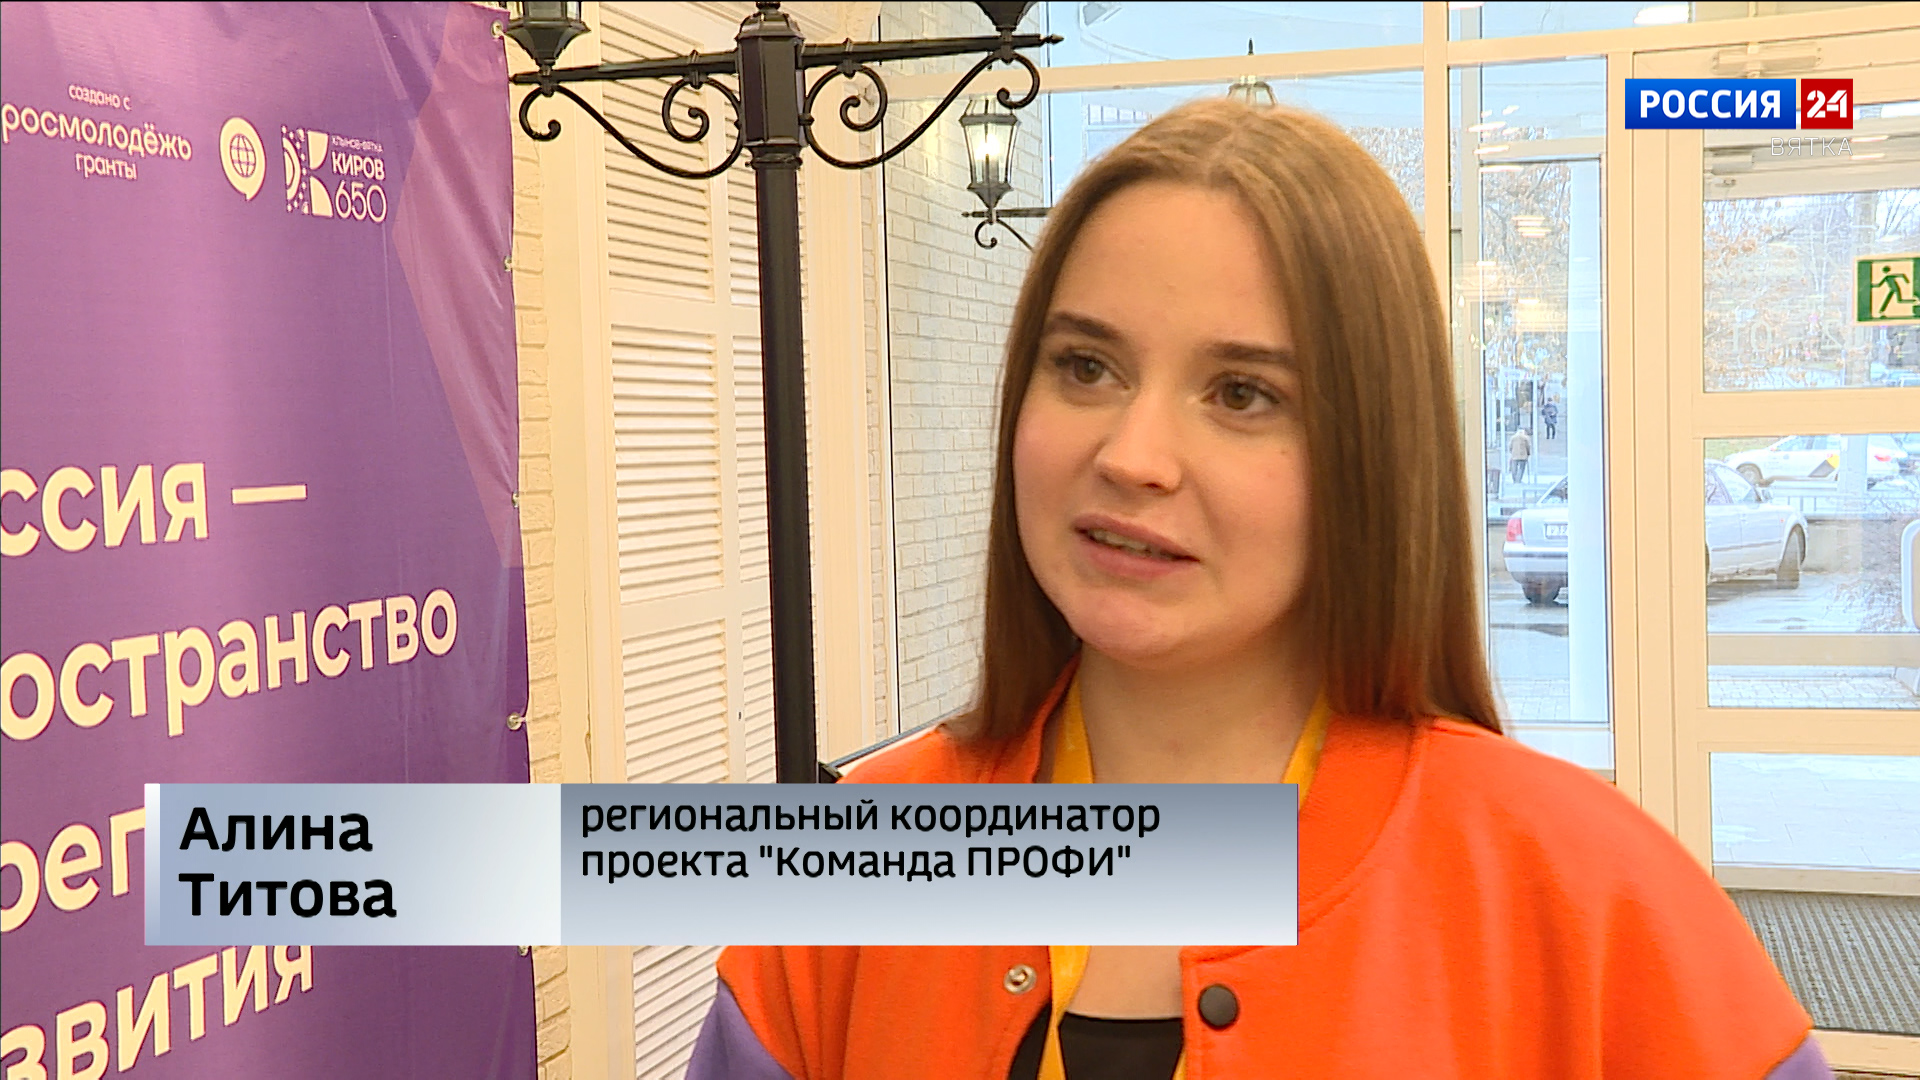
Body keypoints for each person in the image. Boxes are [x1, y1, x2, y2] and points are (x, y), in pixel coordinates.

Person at [687, 100, 1825, 1079]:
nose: (1133, 455)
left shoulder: (1589, 898)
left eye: (1241, 393)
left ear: (1368, 457)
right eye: (1085, 366)